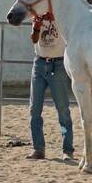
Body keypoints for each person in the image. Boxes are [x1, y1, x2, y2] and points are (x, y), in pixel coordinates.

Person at [25, 14, 74, 161]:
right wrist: (37, 27)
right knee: (34, 109)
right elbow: (34, 39)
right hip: (39, 63)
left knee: (63, 109)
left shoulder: (61, 16)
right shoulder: (36, 17)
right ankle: (38, 148)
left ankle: (67, 149)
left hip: (58, 64)